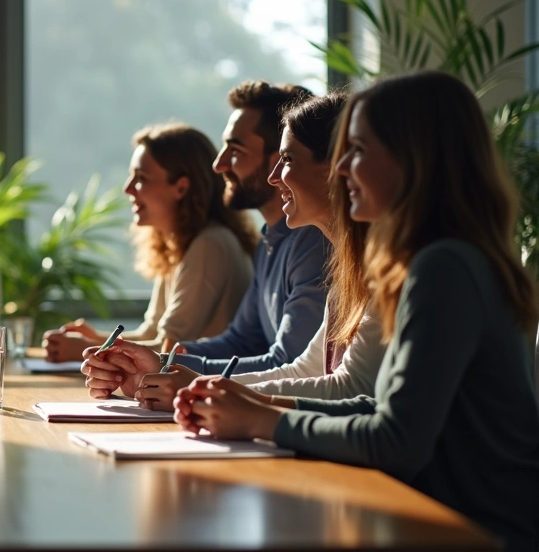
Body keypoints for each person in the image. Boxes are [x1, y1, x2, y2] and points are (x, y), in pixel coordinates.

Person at [170, 72, 539, 552]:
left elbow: (396, 441)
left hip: (476, 540)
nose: (341, 168)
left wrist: (262, 419)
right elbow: (378, 405)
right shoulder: (434, 260)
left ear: (416, 160)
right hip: (443, 523)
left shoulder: (444, 266)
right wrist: (252, 402)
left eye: (358, 150)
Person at [125, 93, 387, 408]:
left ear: (334, 169)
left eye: (287, 160)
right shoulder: (337, 267)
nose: (274, 176)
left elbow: (349, 387)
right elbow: (304, 369)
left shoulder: (367, 267)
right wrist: (177, 373)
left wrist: (201, 388)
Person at [75, 81, 327, 378]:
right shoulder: (270, 241)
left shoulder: (312, 241)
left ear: (277, 161)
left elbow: (291, 365)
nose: (219, 165)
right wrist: (165, 359)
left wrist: (170, 367)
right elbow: (243, 340)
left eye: (235, 150)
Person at [43, 123, 256, 360]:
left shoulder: (209, 245)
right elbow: (151, 333)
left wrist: (85, 350)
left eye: (141, 178)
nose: (128, 189)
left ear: (181, 187)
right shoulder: (182, 243)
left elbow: (169, 348)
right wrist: (94, 340)